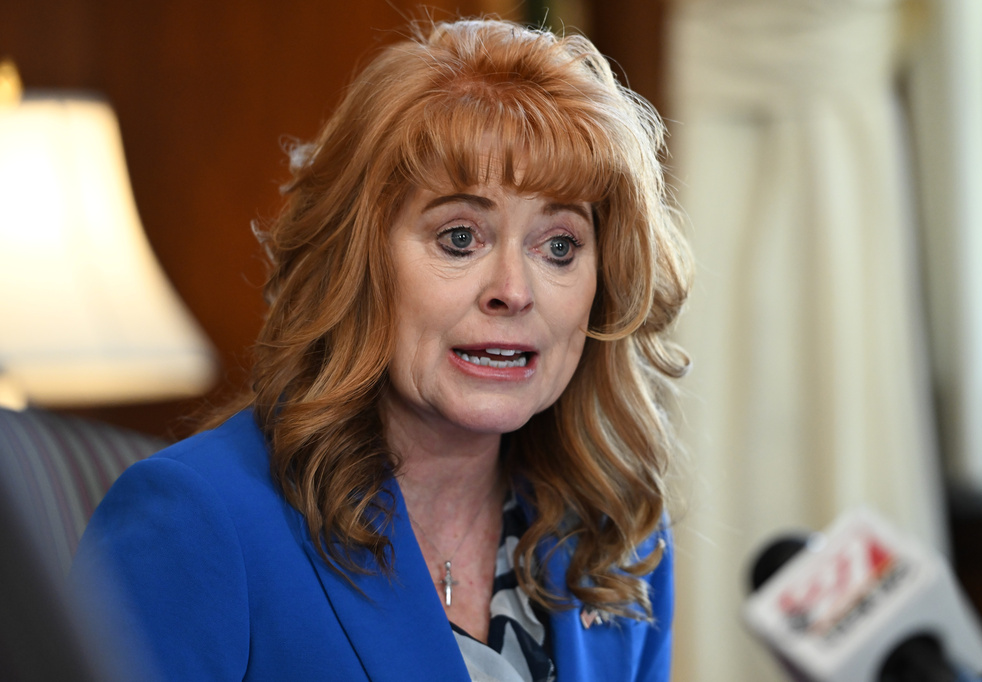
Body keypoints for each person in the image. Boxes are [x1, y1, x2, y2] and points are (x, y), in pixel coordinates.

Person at [70, 17, 691, 682]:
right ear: (359, 261)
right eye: (460, 237)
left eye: (560, 246)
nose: (513, 290)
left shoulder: (617, 545)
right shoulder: (195, 522)